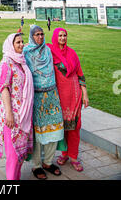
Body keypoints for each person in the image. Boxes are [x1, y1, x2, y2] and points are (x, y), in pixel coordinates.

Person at [23, 25, 64, 180]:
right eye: (36, 35)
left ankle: (48, 162)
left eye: (41, 34)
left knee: (55, 128)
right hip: (36, 98)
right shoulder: (26, 52)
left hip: (52, 95)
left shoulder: (48, 50)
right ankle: (37, 165)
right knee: (38, 131)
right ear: (31, 36)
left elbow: (61, 54)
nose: (40, 37)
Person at [47, 28, 89, 172]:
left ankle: (74, 157)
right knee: (62, 127)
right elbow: (34, 47)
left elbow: (80, 74)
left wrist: (85, 94)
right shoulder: (50, 51)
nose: (63, 38)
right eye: (60, 35)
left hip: (74, 96)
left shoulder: (72, 53)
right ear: (55, 37)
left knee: (75, 128)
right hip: (59, 97)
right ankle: (64, 153)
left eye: (65, 35)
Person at [0, 33, 34, 180]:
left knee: (20, 155)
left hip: (23, 114)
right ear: (11, 45)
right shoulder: (6, 62)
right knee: (12, 156)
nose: (21, 45)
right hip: (12, 114)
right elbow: (4, 88)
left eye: (22, 42)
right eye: (18, 42)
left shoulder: (21, 62)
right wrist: (9, 114)